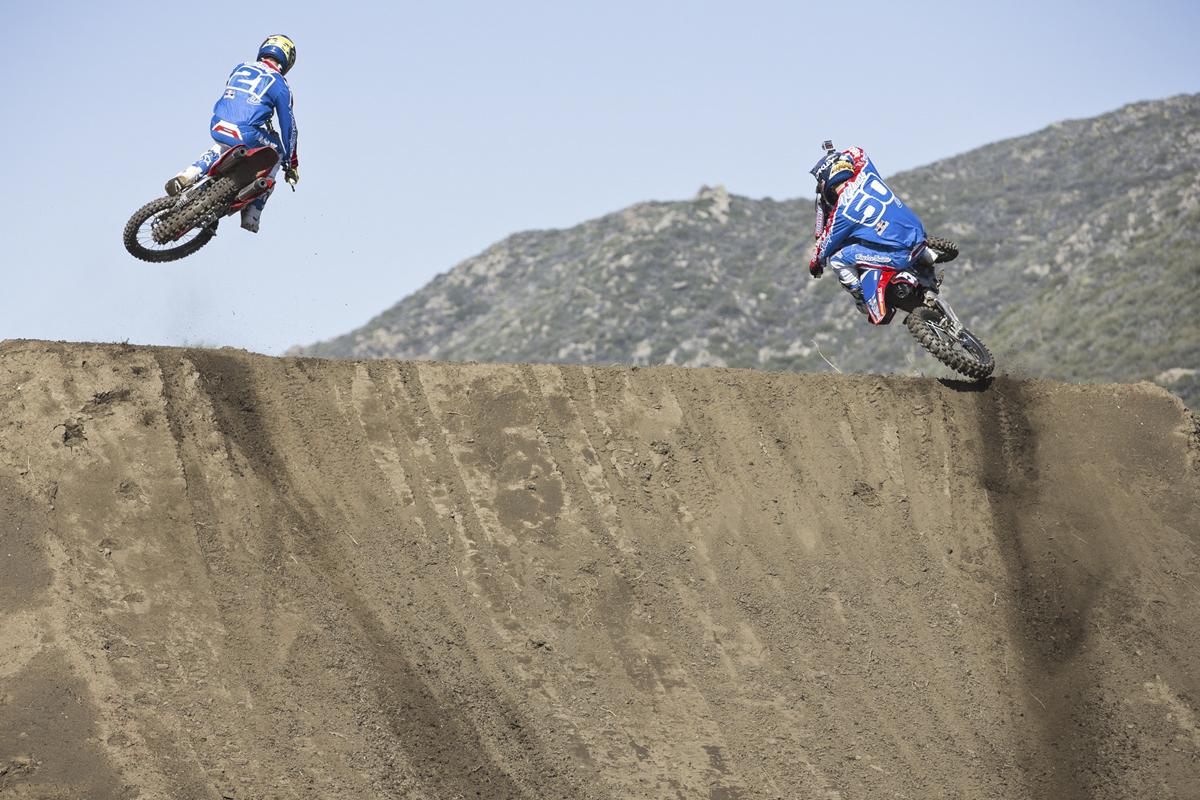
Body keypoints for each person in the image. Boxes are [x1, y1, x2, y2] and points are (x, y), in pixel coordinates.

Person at [165, 35, 300, 233]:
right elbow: (289, 126)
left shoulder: (240, 67)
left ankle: (188, 174)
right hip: (248, 133)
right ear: (287, 58)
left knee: (222, 147)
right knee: (277, 152)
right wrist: (292, 163)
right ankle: (252, 214)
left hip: (218, 124)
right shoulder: (281, 84)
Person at [807, 144, 930, 314]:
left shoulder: (841, 213)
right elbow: (857, 151)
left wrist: (815, 264)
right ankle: (927, 257)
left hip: (899, 255)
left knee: (837, 260)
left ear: (825, 181)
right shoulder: (866, 171)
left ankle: (862, 298)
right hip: (919, 234)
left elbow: (823, 247)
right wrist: (839, 157)